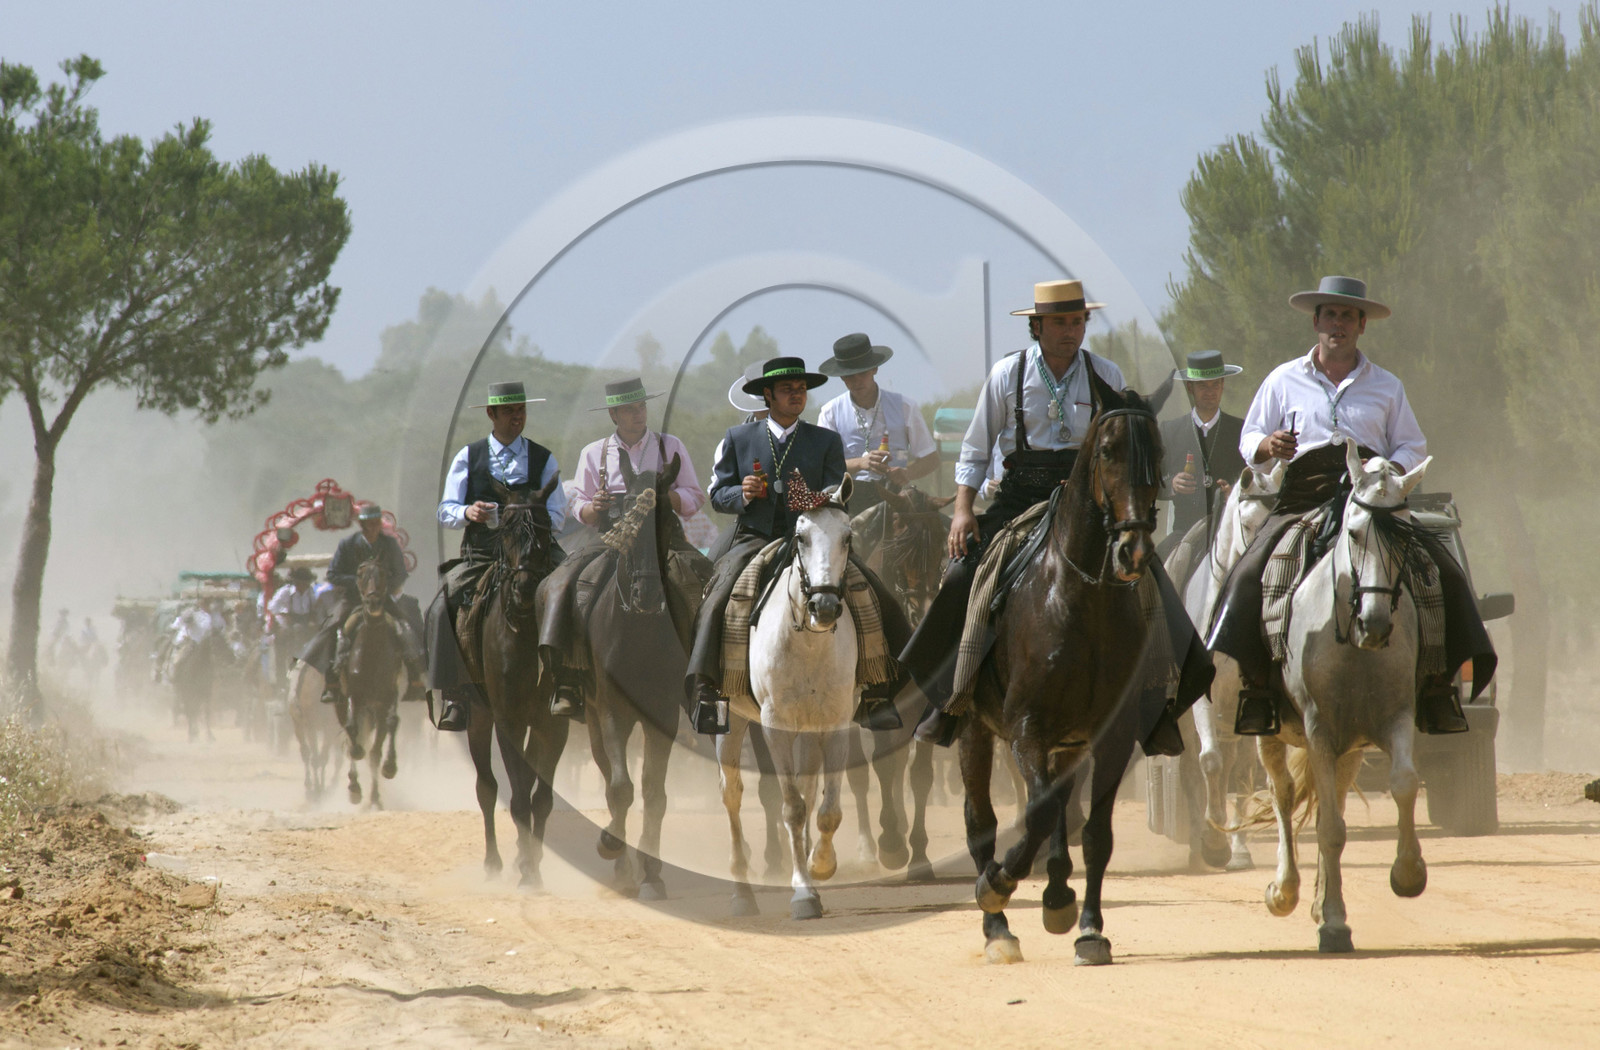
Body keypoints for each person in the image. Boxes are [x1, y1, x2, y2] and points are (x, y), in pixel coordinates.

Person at [900, 279, 1190, 754]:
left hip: (1089, 504)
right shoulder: (1007, 374)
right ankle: (951, 698)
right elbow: (976, 450)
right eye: (1059, 322)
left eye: (1077, 321)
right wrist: (962, 510)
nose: (1070, 331)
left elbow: (1124, 446)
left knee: (1150, 577)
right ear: (1036, 327)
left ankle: (1157, 701)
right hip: (1019, 497)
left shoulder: (1107, 373)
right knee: (962, 575)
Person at [1207, 275, 1494, 736]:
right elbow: (1249, 438)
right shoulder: (1283, 379)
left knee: (1442, 570)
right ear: (1316, 323)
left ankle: (1438, 686)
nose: (1337, 324)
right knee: (1247, 574)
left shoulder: (1387, 386)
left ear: (1362, 325)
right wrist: (1268, 445)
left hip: (1373, 502)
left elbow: (1413, 446)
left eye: (1347, 316)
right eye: (1329, 316)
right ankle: (1257, 688)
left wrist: (1387, 472)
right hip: (1302, 499)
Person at [684, 355, 909, 734]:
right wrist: (742, 493)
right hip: (755, 538)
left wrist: (818, 498)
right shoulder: (738, 438)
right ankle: (708, 691)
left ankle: (879, 688)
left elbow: (838, 492)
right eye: (787, 389)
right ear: (768, 396)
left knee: (871, 589)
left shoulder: (825, 440)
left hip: (814, 539)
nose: (797, 395)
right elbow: (718, 496)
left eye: (801, 389)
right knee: (718, 596)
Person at [537, 377, 707, 721]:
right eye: (629, 409)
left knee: (707, 581)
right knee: (562, 582)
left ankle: (705, 681)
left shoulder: (670, 445)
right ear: (613, 414)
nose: (638, 414)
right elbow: (578, 505)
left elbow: (694, 496)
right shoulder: (594, 452)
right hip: (611, 536)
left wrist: (666, 498)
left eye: (641, 407)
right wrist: (593, 507)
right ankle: (566, 677)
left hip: (664, 537)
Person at [429, 380, 568, 732]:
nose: (517, 417)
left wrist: (529, 518)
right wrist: (468, 512)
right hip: (481, 554)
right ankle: (455, 693)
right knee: (442, 606)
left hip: (534, 553)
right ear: (491, 414)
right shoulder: (468, 456)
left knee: (574, 590)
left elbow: (558, 516)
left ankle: (570, 681)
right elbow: (445, 510)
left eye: (521, 410)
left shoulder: (543, 458)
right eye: (509, 411)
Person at [305, 504, 425, 725]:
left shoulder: (390, 544)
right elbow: (333, 574)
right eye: (368, 524)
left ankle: (415, 679)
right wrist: (360, 583)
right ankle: (332, 681)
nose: (372, 528)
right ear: (361, 525)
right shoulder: (347, 544)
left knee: (406, 625)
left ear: (379, 524)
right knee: (332, 627)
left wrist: (381, 585)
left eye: (375, 523)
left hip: (383, 598)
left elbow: (400, 573)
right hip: (353, 599)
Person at [815, 333, 940, 515]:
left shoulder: (906, 407)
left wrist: (907, 473)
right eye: (850, 376)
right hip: (848, 502)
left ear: (874, 369)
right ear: (842, 377)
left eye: (862, 373)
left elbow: (931, 459)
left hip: (897, 500)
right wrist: (860, 463)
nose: (857, 381)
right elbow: (822, 466)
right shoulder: (830, 412)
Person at [1158, 350, 1248, 557]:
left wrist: (1235, 493)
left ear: (1223, 385)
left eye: (1215, 384)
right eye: (1203, 386)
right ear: (1190, 387)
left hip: (1229, 535)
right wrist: (1172, 484)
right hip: (1183, 535)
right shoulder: (1170, 430)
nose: (1210, 391)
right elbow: (1152, 484)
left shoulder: (1241, 430)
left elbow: (1253, 480)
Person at [267, 566, 320, 687]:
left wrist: (314, 620)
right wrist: (284, 615)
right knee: (284, 641)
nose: (304, 586)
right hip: (289, 624)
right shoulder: (285, 592)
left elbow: (316, 608)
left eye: (306, 583)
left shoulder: (311, 592)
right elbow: (272, 607)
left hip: (306, 623)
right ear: (296, 582)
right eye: (302, 583)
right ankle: (283, 674)